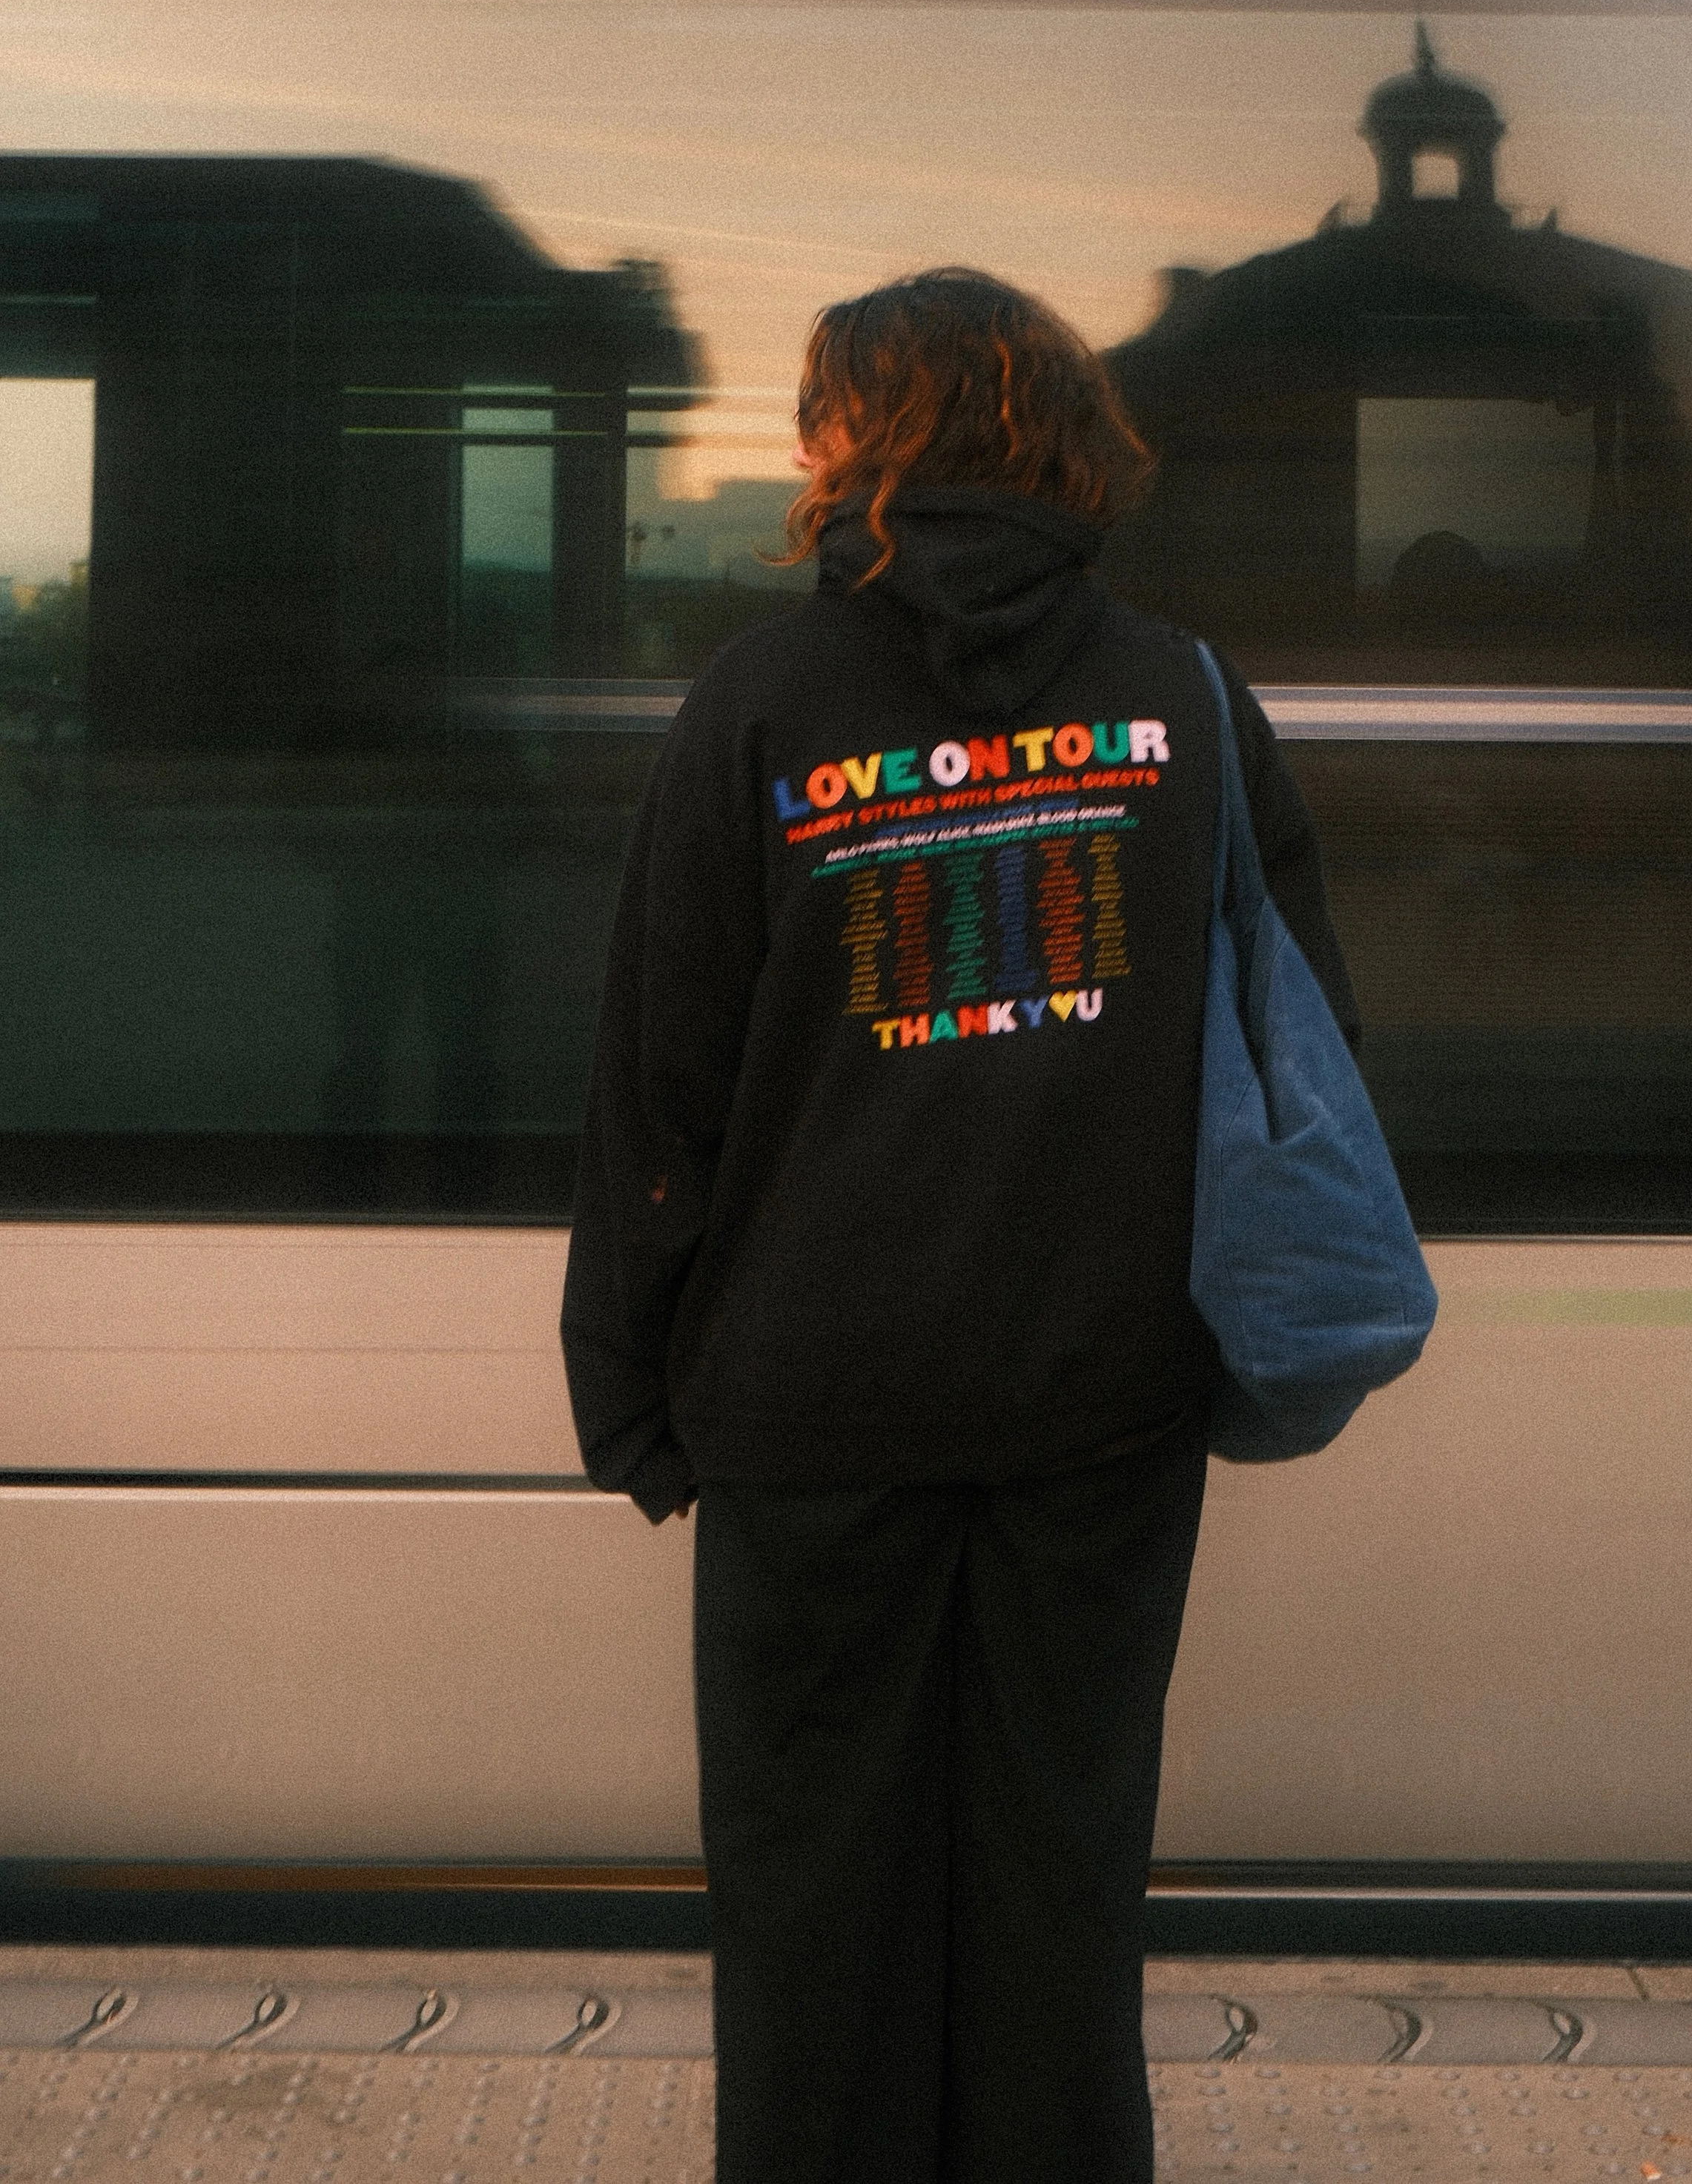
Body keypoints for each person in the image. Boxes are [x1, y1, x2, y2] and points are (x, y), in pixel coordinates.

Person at [561, 267, 1358, 2184]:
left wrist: (633, 1391)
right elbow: (1284, 1033)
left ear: (870, 439)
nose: (797, 445)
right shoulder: (1182, 693)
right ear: (1058, 435)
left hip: (809, 1402)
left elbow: (663, 1083)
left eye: (820, 409)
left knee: (814, 1904)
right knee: (1057, 1895)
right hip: (1097, 1402)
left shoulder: (759, 700)